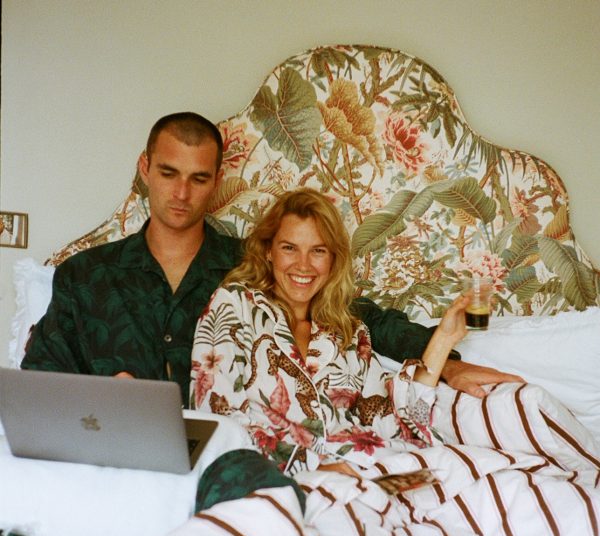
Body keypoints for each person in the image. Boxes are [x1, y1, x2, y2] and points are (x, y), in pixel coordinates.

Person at [21, 111, 521, 404]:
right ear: (145, 168)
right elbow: (39, 380)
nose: (181, 193)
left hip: (228, 454)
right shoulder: (85, 275)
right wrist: (104, 398)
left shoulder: (253, 266)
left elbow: (355, 314)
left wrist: (447, 363)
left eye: (198, 178)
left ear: (217, 181)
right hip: (111, 453)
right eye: (169, 173)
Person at [189, 187, 473, 474]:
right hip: (278, 480)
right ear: (268, 251)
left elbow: (396, 424)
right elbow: (215, 416)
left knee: (469, 468)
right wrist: (314, 470)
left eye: (318, 251)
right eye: (289, 248)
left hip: (361, 472)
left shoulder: (349, 331)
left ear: (333, 259)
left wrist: (443, 340)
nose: (303, 265)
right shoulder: (234, 304)